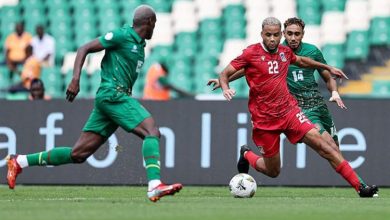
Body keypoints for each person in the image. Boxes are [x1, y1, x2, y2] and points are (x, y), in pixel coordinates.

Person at [6, 5, 183, 202]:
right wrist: (75, 79)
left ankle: (19, 161)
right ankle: (154, 185)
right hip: (113, 95)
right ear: (149, 22)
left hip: (109, 100)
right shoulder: (122, 36)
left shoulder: (139, 44)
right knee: (152, 131)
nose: (154, 29)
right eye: (154, 24)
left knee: (78, 154)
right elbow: (85, 48)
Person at [216, 17, 378, 197]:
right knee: (273, 171)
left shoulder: (285, 52)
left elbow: (303, 61)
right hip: (264, 121)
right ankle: (246, 154)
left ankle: (361, 188)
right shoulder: (250, 53)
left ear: (280, 35)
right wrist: (225, 86)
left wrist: (327, 67)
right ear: (262, 34)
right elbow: (226, 73)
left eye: (275, 35)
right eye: (268, 35)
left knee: (326, 146)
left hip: (290, 112)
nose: (272, 39)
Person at [208, 17, 345, 146]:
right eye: (289, 33)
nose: (293, 38)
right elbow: (248, 69)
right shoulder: (277, 51)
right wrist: (224, 80)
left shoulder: (312, 51)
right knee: (327, 143)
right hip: (299, 106)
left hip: (317, 102)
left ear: (303, 34)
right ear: (283, 33)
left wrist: (334, 92)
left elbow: (327, 76)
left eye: (297, 34)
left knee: (335, 146)